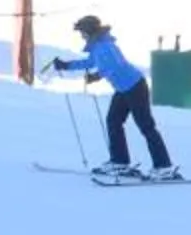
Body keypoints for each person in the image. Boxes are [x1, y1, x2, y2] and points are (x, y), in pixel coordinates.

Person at [48, 13, 175, 177]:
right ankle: (120, 162)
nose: (81, 36)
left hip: (134, 87)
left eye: (82, 32)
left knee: (146, 126)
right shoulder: (97, 46)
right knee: (113, 121)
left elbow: (115, 65)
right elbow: (90, 62)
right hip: (124, 89)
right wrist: (66, 65)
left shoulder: (105, 46)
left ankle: (164, 167)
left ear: (89, 31)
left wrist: (97, 75)